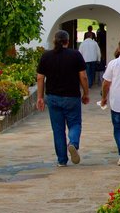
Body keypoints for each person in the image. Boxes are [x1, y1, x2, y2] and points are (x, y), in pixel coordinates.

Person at [36, 30, 90, 166]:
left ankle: (61, 160)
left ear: (55, 40)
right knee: (75, 123)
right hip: (72, 96)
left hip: (53, 97)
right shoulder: (75, 55)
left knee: (58, 129)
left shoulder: (46, 56)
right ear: (68, 40)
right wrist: (86, 93)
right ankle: (72, 143)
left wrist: (40, 97)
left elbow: (40, 78)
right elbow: (83, 76)